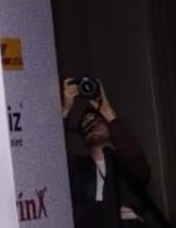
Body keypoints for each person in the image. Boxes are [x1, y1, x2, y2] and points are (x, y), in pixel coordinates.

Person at [62, 78, 169, 228]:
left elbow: (134, 155)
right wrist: (65, 110)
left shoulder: (126, 167)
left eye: (96, 120)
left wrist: (108, 112)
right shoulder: (79, 169)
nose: (91, 124)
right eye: (85, 123)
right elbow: (57, 156)